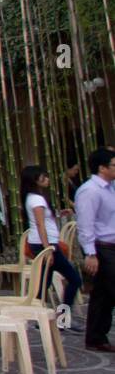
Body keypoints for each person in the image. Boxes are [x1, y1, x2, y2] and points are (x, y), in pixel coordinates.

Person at [20, 165, 83, 319]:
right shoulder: (37, 199)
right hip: (46, 244)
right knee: (74, 279)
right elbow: (41, 224)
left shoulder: (31, 197)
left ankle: (37, 317)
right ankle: (62, 318)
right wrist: (48, 249)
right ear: (35, 180)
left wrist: (59, 213)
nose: (47, 179)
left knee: (44, 283)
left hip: (42, 243)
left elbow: (42, 220)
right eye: (44, 177)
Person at [75, 148, 115, 352]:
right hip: (101, 248)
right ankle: (96, 335)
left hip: (111, 246)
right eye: (113, 165)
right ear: (102, 168)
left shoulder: (110, 188)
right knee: (109, 290)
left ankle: (96, 336)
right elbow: (85, 224)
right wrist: (90, 253)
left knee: (103, 294)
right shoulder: (90, 190)